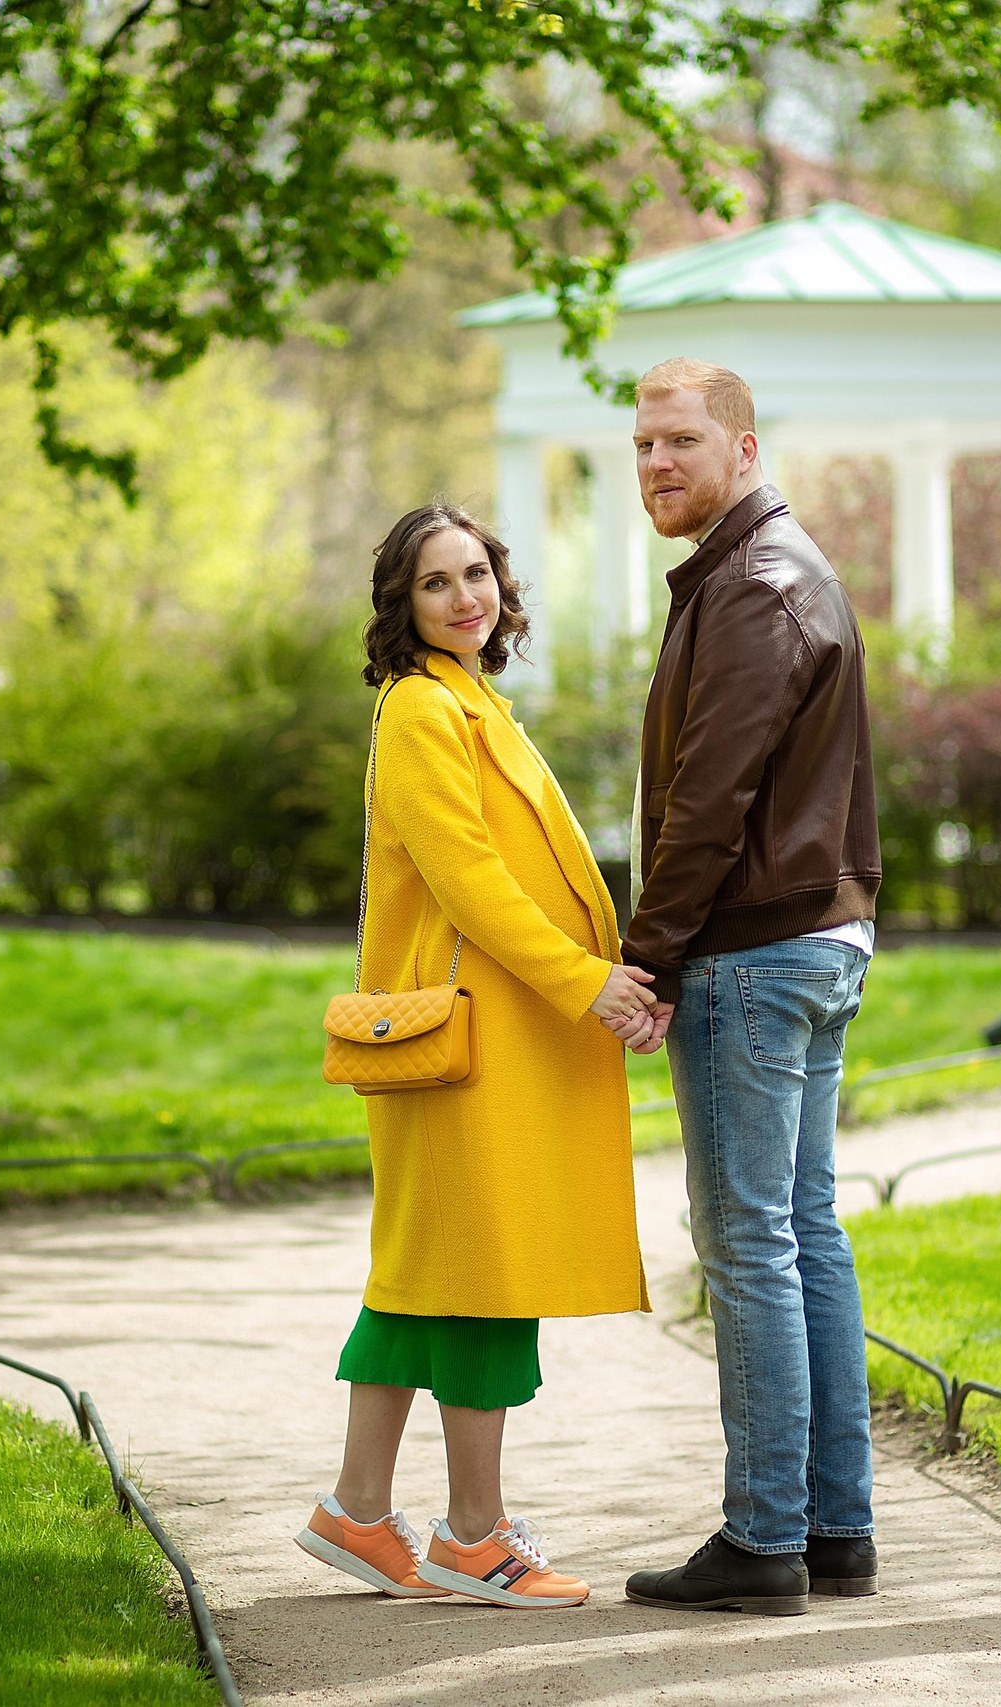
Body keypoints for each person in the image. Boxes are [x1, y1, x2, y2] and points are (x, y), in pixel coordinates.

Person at [295, 503, 660, 1610]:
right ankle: (474, 1537)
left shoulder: (466, 698)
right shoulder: (422, 708)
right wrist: (586, 980)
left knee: (424, 1279)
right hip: (471, 1050)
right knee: (483, 1284)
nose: (466, 597)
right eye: (436, 582)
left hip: (484, 1045)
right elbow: (471, 882)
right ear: (400, 607)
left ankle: (358, 1514)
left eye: (477, 574)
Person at [616, 359, 883, 1617]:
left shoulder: (752, 586)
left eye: (680, 439)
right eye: (642, 445)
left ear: (743, 446)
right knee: (801, 1229)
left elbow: (709, 800)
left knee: (749, 1242)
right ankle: (834, 1530)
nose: (656, 463)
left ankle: (766, 1536)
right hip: (814, 939)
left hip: (754, 951)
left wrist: (649, 953)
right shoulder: (770, 571)